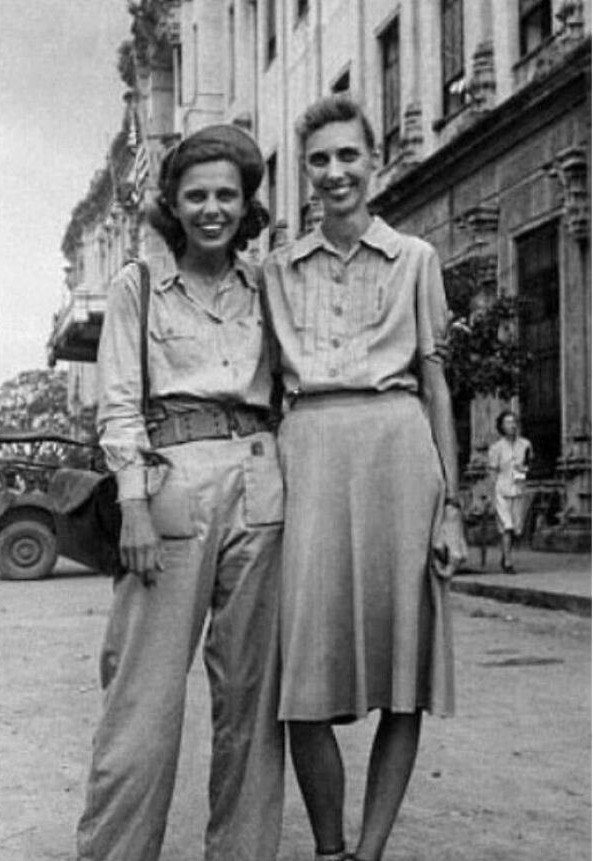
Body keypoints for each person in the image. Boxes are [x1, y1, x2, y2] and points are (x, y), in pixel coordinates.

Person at [261, 93, 467, 861]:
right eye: (320, 158)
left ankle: (370, 851)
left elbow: (437, 383)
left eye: (349, 154)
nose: (335, 170)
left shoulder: (417, 259)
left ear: (372, 161)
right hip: (308, 463)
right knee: (301, 685)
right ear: (304, 173)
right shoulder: (275, 273)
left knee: (402, 673)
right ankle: (328, 848)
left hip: (399, 458)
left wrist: (450, 507)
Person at [76, 124, 285, 861]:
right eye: (196, 195)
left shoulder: (268, 283)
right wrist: (131, 499)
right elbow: (120, 402)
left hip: (261, 478)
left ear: (247, 202)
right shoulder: (139, 285)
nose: (212, 209)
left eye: (227, 194)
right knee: (143, 694)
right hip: (170, 481)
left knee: (253, 700)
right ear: (173, 202)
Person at [488, 410, 533, 574]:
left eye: (514, 422)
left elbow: (527, 465)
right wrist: (491, 495)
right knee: (506, 526)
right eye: (508, 422)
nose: (512, 425)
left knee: (516, 528)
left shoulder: (525, 444)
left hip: (518, 489)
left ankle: (505, 553)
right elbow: (493, 471)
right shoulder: (496, 448)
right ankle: (508, 562)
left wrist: (522, 473)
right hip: (501, 490)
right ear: (501, 426)